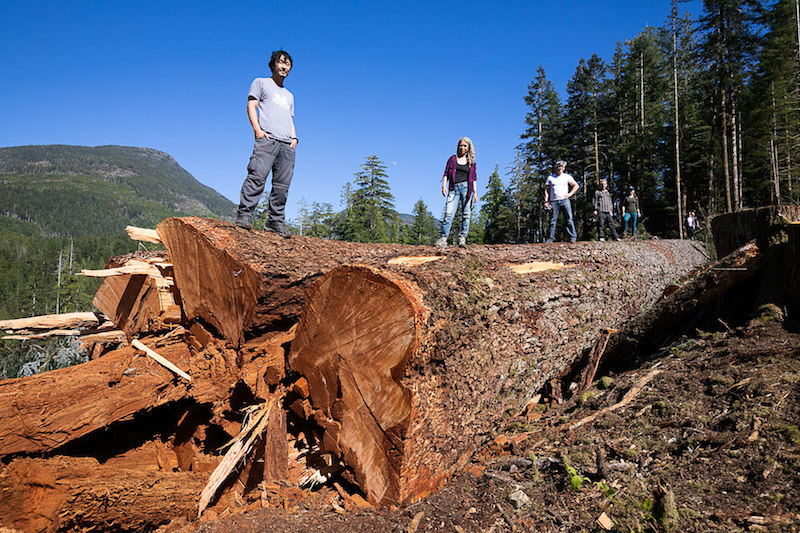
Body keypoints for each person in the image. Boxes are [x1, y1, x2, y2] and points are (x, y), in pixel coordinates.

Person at [234, 50, 298, 238]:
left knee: (282, 186)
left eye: (288, 64)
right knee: (257, 176)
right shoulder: (260, 83)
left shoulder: (289, 96)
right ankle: (245, 215)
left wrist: (294, 139)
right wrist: (257, 130)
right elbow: (251, 106)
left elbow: (290, 118)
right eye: (281, 62)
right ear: (273, 64)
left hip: (287, 144)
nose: (285, 66)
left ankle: (275, 222)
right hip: (267, 139)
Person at [435, 137, 477, 248]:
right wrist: (443, 185)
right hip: (453, 189)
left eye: (465, 146)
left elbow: (474, 178)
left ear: (468, 148)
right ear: (458, 146)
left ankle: (462, 239)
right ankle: (443, 238)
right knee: (449, 213)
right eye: (461, 145)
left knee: (466, 214)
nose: (462, 147)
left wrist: (475, 192)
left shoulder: (471, 162)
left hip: (467, 189)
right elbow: (445, 173)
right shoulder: (452, 159)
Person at [544, 160, 580, 243]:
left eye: (561, 167)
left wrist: (569, 194)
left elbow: (576, 185)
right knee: (552, 221)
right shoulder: (550, 178)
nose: (559, 169)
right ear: (556, 168)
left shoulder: (567, 177)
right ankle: (549, 239)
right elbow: (546, 190)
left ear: (563, 168)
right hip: (554, 201)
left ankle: (573, 237)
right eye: (558, 167)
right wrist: (546, 201)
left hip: (565, 200)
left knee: (569, 219)